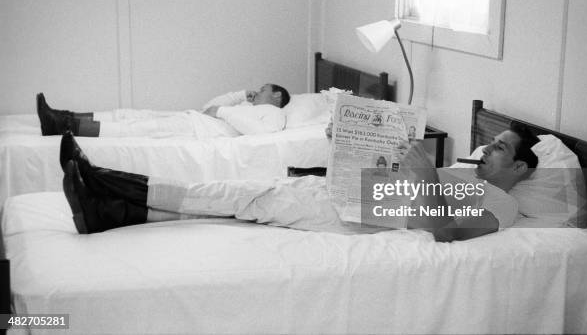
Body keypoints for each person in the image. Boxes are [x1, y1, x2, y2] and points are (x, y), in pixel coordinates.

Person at [59, 121, 539, 241]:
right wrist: (352, 143)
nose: (486, 150)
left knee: (238, 196)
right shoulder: (459, 174)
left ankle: (104, 182)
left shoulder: (503, 208)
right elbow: (396, 183)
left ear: (519, 169)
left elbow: (443, 233)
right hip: (353, 197)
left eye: (499, 148)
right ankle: (104, 207)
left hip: (358, 219)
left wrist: (425, 177)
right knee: (233, 203)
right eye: (489, 142)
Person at [36, 84, 290, 138]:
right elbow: (209, 106)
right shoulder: (247, 106)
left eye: (263, 88)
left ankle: (61, 126)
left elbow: (261, 133)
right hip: (192, 118)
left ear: (277, 95)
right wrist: (237, 96)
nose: (258, 91)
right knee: (131, 115)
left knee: (133, 129)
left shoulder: (274, 114)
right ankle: (63, 116)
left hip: (195, 130)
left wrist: (224, 111)